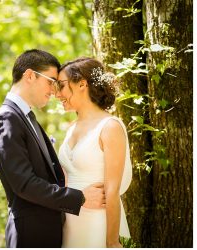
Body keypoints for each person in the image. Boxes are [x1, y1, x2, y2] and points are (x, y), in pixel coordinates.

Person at [0, 49, 106, 248]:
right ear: (30, 75)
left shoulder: (26, 118)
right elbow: (24, 184)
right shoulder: (6, 118)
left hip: (50, 232)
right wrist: (80, 198)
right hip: (30, 235)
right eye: (51, 81)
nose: (55, 91)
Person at [55, 57, 132, 248]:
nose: (57, 94)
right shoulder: (71, 128)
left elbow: (112, 192)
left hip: (97, 223)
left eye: (61, 86)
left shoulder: (110, 127)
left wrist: (112, 242)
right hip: (69, 222)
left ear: (82, 84)